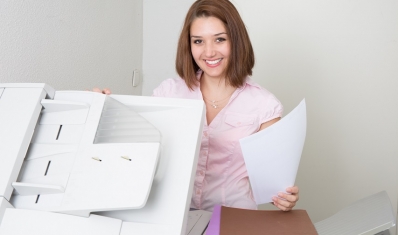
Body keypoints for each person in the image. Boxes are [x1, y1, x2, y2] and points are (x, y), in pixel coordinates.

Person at [94, 0, 299, 212]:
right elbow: (134, 150)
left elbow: (273, 182)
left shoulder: (264, 105)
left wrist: (285, 196)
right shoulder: (168, 94)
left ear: (236, 41)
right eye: (198, 41)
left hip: (234, 218)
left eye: (219, 39)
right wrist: (102, 111)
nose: (208, 52)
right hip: (173, 215)